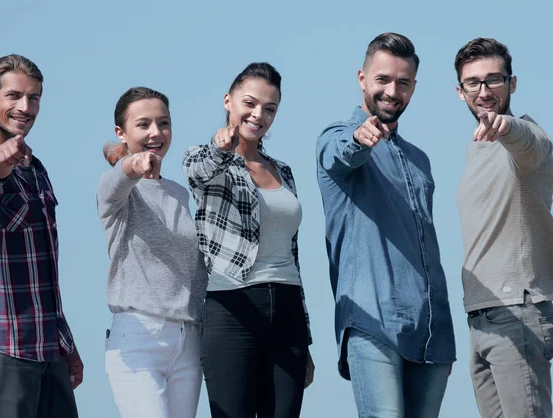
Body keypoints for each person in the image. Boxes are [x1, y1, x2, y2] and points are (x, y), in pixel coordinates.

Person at [315, 33, 456, 417]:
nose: (392, 91)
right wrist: (361, 139)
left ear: (413, 87)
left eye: (403, 82)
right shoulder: (336, 137)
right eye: (383, 79)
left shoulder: (420, 159)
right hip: (372, 321)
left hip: (433, 330)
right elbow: (340, 153)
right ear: (362, 78)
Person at [0, 54, 82, 418]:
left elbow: (43, 273)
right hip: (3, 342)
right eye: (13, 96)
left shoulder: (36, 170)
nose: (25, 107)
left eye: (34, 97)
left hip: (48, 347)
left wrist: (65, 343)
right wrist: (0, 156)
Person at [183, 62, 314, 418]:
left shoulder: (282, 170)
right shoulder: (205, 157)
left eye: (270, 108)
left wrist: (306, 338)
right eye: (250, 103)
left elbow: (292, 253)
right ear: (229, 101)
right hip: (231, 308)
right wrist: (219, 147)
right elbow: (198, 171)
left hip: (286, 309)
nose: (259, 115)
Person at [455, 37, 553, 418]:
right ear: (459, 92)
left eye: (494, 79)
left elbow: (527, 143)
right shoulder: (475, 148)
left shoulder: (528, 138)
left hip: (520, 309)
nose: (484, 91)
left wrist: (505, 125)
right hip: (481, 316)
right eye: (473, 82)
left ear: (512, 83)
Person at [97, 87, 207, 418]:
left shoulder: (180, 194)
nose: (155, 133)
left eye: (163, 123)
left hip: (188, 341)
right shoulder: (115, 190)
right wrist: (135, 163)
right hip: (139, 338)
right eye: (143, 124)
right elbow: (117, 180)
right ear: (122, 133)